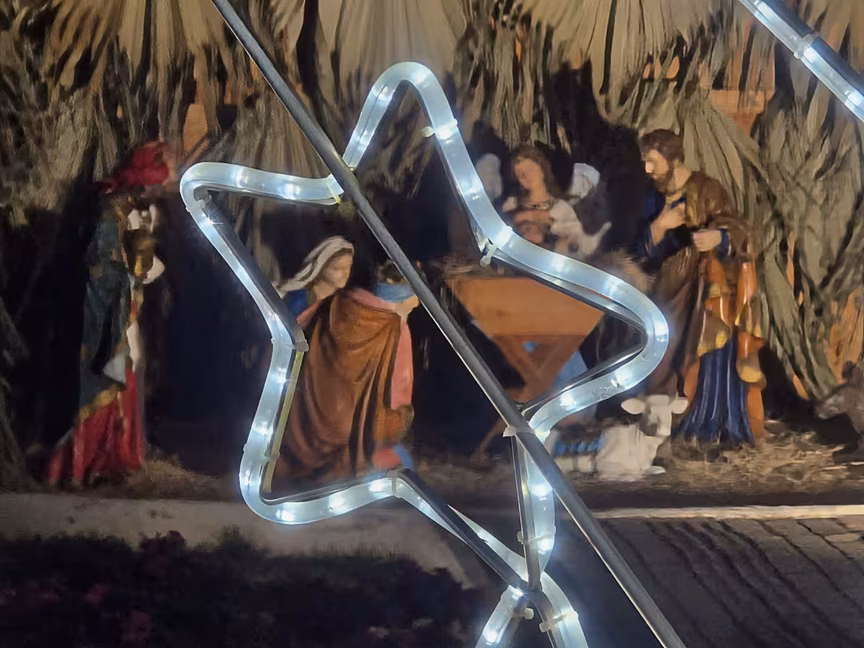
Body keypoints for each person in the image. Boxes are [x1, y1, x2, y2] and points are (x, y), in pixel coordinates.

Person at [45, 144, 170, 487]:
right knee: (104, 377)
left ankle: (113, 455)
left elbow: (139, 265)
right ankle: (85, 462)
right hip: (104, 310)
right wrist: (134, 267)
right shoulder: (109, 213)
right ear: (141, 185)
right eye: (155, 186)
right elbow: (104, 267)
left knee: (124, 376)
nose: (158, 193)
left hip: (122, 306)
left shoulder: (130, 212)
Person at [638, 129, 765, 444]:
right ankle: (666, 419)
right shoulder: (651, 196)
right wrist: (659, 227)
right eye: (645, 162)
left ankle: (710, 417)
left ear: (674, 160)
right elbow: (639, 250)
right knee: (666, 347)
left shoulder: (708, 189)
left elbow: (740, 228)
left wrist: (718, 238)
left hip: (708, 288)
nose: (648, 170)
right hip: (669, 286)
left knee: (708, 348)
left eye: (653, 162)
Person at [273, 260, 419, 490]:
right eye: (411, 306)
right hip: (351, 445)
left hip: (300, 430)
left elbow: (294, 335)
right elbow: (396, 397)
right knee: (399, 465)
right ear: (404, 300)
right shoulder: (393, 328)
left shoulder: (334, 303)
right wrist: (400, 420)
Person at [274, 236, 354, 318]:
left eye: (349, 266)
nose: (345, 273)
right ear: (321, 267)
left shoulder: (342, 303)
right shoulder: (300, 300)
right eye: (337, 268)